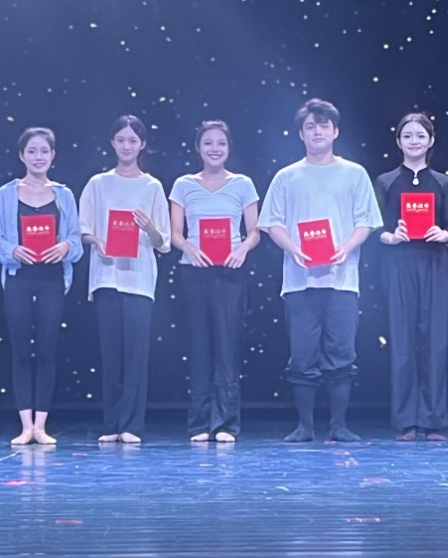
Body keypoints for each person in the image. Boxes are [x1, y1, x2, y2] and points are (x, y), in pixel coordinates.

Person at [258, 98, 383, 442]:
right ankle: (305, 426)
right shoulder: (287, 176)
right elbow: (272, 223)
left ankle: (339, 425)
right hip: (299, 282)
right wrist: (293, 248)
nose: (317, 132)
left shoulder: (354, 173)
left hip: (342, 280)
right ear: (301, 134)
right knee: (302, 354)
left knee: (341, 352)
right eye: (310, 126)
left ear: (335, 131)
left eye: (323, 125)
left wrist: (347, 247)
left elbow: (367, 221)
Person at [0, 127, 83, 445]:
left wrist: (66, 247)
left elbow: (76, 242)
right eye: (32, 151)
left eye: (44, 151)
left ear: (53, 155)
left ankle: (40, 426)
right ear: (22, 155)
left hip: (52, 281)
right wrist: (12, 250)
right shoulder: (6, 194)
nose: (38, 157)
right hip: (18, 279)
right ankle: (25, 425)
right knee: (20, 352)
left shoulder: (64, 195)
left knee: (45, 351)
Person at [79, 115, 171, 444]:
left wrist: (149, 228)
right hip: (106, 277)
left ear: (142, 144)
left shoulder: (152, 186)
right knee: (111, 354)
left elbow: (164, 242)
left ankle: (132, 426)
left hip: (139, 280)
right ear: (112, 143)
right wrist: (97, 241)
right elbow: (83, 228)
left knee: (135, 356)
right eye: (121, 140)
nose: (127, 146)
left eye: (133, 140)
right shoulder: (98, 183)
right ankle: (111, 424)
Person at [170, 121, 260, 443]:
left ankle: (225, 424)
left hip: (230, 272)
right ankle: (198, 423)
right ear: (198, 147)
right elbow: (175, 233)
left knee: (227, 345)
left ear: (229, 147)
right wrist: (189, 248)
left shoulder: (243, 184)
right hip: (194, 272)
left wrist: (242, 249)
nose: (214, 149)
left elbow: (255, 231)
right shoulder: (183, 185)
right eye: (208, 143)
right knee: (199, 345)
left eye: (220, 143)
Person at [374, 113, 448, 441]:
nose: (414, 141)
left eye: (420, 135)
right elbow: (376, 227)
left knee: (434, 340)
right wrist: (391, 236)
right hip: (399, 264)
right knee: (402, 339)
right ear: (398, 142)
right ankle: (406, 420)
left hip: (434, 263)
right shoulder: (386, 181)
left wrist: (443, 234)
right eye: (407, 136)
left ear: (431, 140)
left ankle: (433, 420)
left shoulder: (443, 182)